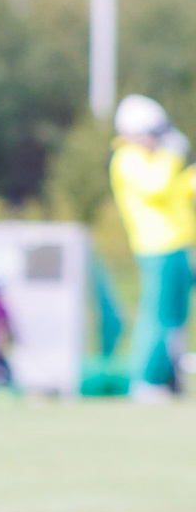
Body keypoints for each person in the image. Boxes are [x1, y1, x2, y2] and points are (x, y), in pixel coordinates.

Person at [107, 93, 194, 397]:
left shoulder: (155, 160)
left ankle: (170, 378)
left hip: (179, 245)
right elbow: (156, 188)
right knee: (156, 317)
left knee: (176, 319)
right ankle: (146, 380)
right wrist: (172, 155)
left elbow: (177, 190)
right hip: (155, 248)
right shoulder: (127, 159)